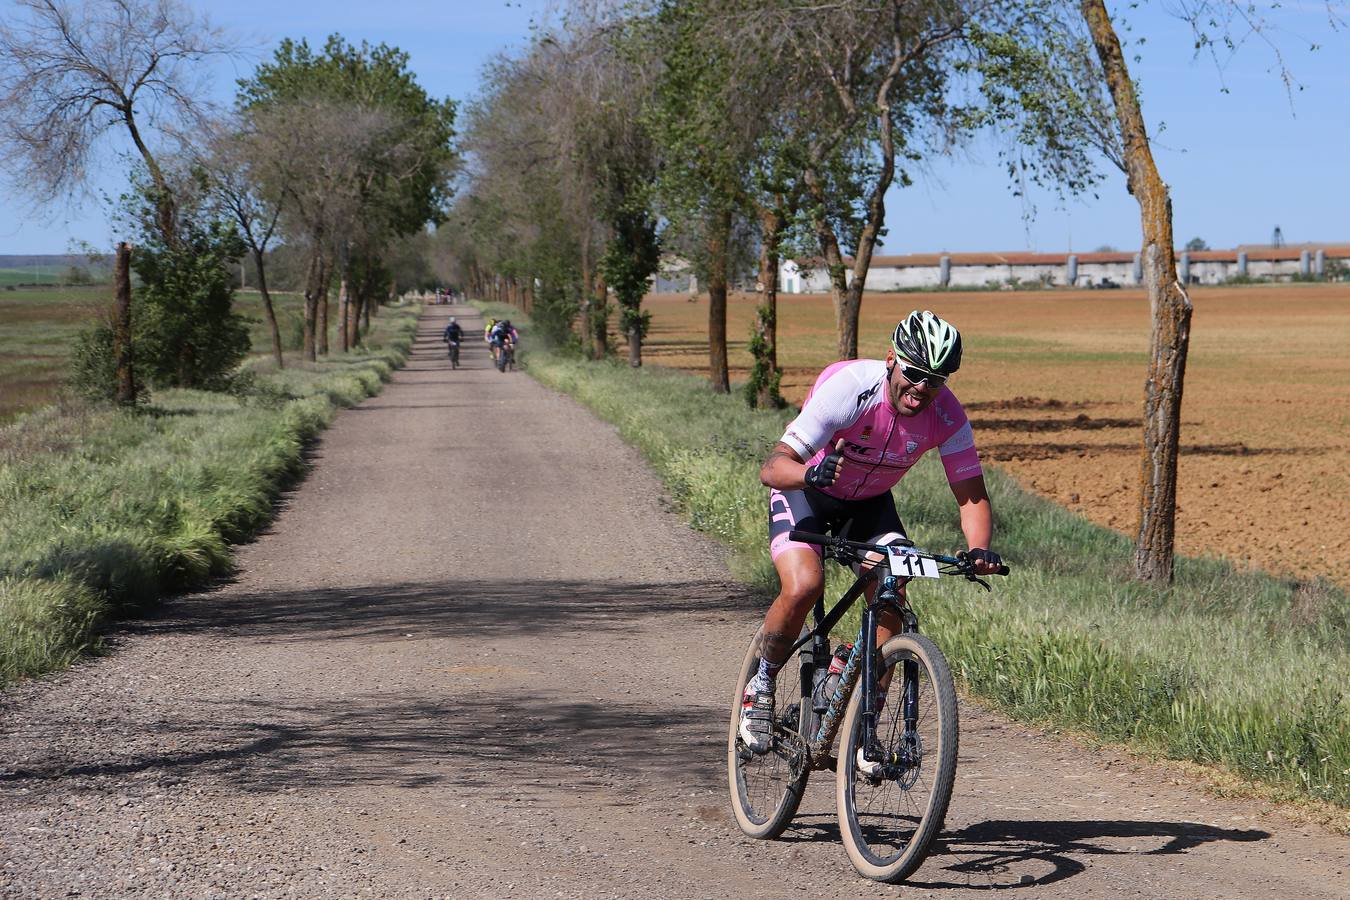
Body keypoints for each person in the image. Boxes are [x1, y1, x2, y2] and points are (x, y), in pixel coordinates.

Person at [740, 309, 1003, 759]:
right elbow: (772, 467)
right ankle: (760, 684)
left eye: (935, 380)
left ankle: (867, 729)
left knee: (893, 587)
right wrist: (810, 474)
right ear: (891, 360)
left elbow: (971, 496)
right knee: (805, 585)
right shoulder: (851, 390)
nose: (922, 388)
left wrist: (979, 548)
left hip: (869, 505)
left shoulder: (948, 415)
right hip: (809, 490)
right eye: (915, 373)